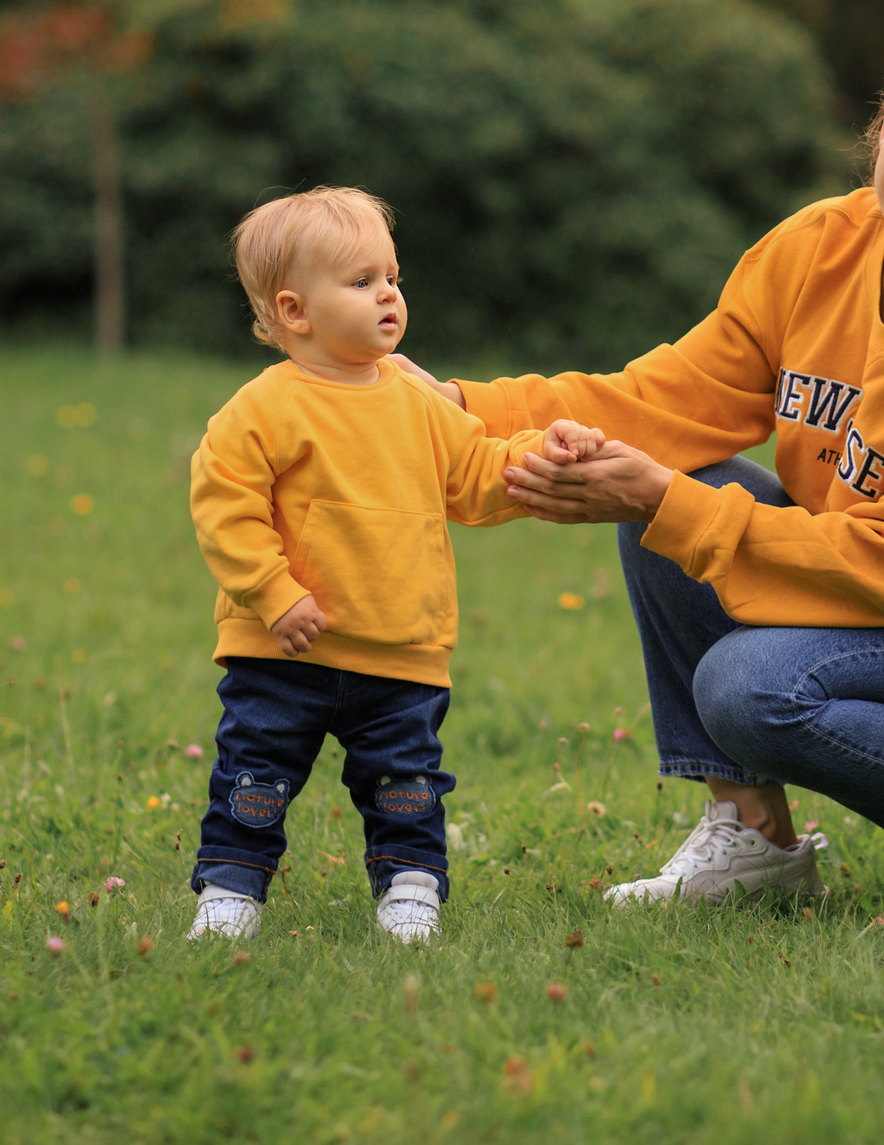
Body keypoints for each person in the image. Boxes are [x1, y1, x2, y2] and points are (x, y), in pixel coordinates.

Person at [402, 18, 884, 926]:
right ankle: (753, 842)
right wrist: (463, 410)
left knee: (751, 682)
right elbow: (669, 399)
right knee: (685, 479)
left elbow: (883, 564)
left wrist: (664, 499)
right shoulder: (821, 246)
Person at [186, 186, 595, 944]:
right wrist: (274, 593)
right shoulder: (262, 408)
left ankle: (410, 883)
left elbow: (475, 469)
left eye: (392, 277)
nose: (388, 294)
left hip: (403, 646)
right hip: (284, 646)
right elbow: (225, 507)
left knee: (405, 782)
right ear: (295, 310)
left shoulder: (417, 398)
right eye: (361, 281)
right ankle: (231, 884)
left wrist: (541, 451)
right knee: (255, 773)